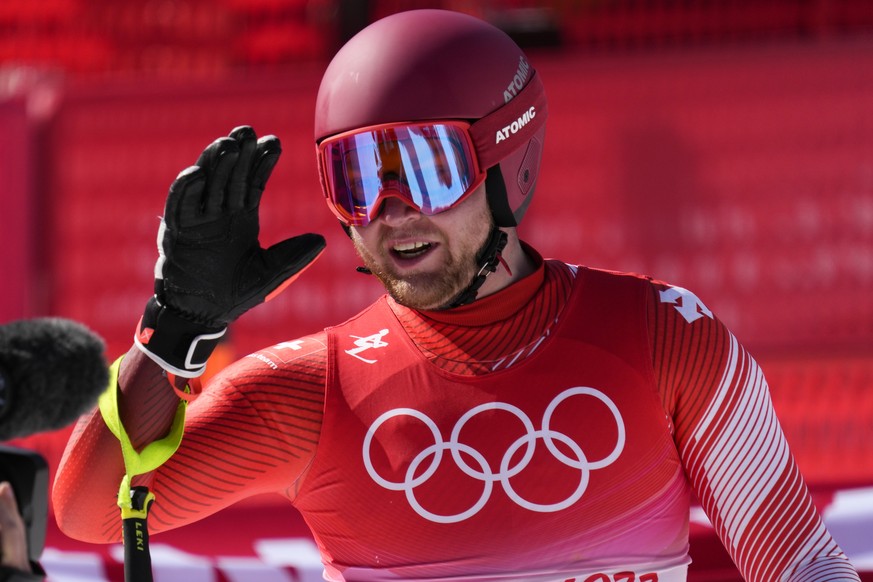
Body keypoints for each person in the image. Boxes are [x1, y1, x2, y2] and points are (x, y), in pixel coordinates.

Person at [52, 9, 860, 582]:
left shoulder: (665, 338)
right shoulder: (311, 390)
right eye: (357, 177)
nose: (392, 210)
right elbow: (88, 513)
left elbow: (801, 565)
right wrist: (175, 331)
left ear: (510, 162)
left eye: (429, 169)